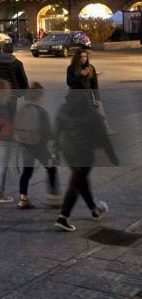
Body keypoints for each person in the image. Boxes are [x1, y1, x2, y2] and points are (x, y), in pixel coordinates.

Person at [54, 88, 119, 231]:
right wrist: (113, 157)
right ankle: (63, 217)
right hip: (84, 154)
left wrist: (55, 151)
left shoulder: (63, 110)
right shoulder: (92, 114)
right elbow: (103, 138)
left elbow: (56, 130)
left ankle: (94, 210)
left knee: (80, 180)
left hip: (69, 152)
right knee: (76, 183)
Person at [14, 82, 60, 210]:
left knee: (26, 173)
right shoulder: (41, 112)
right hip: (39, 146)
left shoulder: (22, 109)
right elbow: (48, 132)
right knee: (51, 169)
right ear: (39, 96)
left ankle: (23, 199)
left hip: (26, 145)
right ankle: (53, 198)